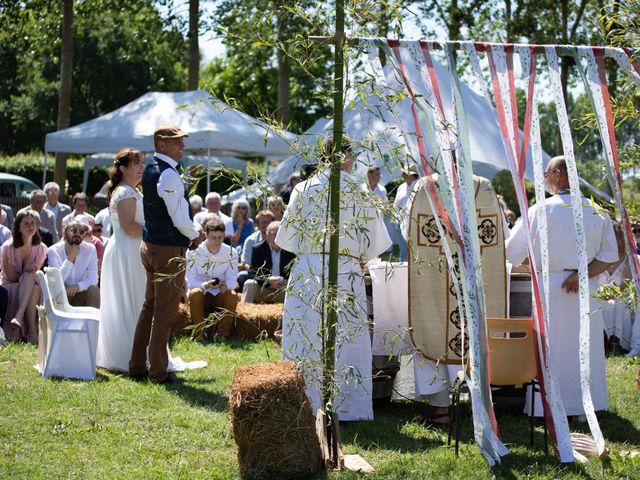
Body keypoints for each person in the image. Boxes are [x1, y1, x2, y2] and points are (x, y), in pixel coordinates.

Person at [277, 138, 392, 421]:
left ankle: (305, 401)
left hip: (309, 268)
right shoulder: (358, 189)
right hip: (344, 269)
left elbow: (287, 238)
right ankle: (348, 406)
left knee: (306, 337)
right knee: (346, 338)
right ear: (346, 158)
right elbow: (374, 240)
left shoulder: (303, 189)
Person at [506, 156, 618, 417]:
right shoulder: (596, 210)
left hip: (549, 288)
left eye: (546, 175)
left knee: (551, 347)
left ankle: (545, 406)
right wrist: (581, 275)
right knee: (583, 347)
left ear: (558, 174)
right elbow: (609, 255)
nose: (544, 181)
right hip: (585, 288)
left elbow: (511, 252)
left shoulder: (539, 210)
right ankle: (584, 408)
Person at [129, 126, 204, 384]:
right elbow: (179, 217)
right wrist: (195, 235)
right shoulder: (168, 174)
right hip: (167, 250)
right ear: (161, 144)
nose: (181, 145)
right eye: (176, 142)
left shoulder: (150, 169)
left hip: (151, 246)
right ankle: (157, 372)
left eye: (182, 141)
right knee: (164, 311)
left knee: (149, 307)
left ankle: (137, 365)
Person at [0, 210, 48, 343]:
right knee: (30, 278)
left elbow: (33, 274)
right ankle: (31, 331)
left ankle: (21, 319)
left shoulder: (40, 247)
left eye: (33, 223)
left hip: (28, 286)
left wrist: (28, 273)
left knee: (33, 284)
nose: (31, 226)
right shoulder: (8, 247)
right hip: (10, 285)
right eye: (26, 224)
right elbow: (9, 277)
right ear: (18, 227)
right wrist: (26, 272)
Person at [186, 219, 238, 339]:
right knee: (194, 293)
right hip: (201, 293)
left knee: (233, 295)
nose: (217, 241)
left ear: (224, 235)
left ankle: (221, 335)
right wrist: (205, 285)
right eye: (213, 237)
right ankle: (199, 334)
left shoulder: (232, 252)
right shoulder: (193, 252)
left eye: (220, 237)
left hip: (220, 293)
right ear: (205, 235)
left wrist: (226, 286)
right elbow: (189, 279)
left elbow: (232, 279)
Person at [47, 220, 100, 308]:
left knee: (94, 290)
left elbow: (94, 279)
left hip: (80, 294)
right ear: (65, 232)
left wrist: (78, 286)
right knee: (59, 292)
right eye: (73, 230)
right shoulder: (53, 250)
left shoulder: (90, 249)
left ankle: (92, 321)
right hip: (60, 297)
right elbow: (56, 281)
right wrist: (70, 259)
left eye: (81, 232)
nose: (78, 234)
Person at [242, 221, 295, 304]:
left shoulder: (291, 251)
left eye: (280, 234)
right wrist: (268, 280)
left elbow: (296, 274)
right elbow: (252, 275)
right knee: (249, 283)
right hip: (264, 289)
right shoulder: (258, 249)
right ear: (267, 236)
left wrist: (287, 281)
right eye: (275, 234)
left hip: (284, 292)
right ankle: (243, 315)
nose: (278, 238)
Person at [237, 210, 275, 290]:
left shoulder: (281, 240)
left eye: (267, 222)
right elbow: (245, 263)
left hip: (277, 273)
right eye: (262, 222)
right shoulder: (250, 240)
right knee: (241, 276)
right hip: (257, 273)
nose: (265, 225)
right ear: (257, 225)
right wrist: (259, 276)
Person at [393, 163, 419, 261]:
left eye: (406, 174)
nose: (403, 175)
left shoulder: (419, 186)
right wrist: (395, 218)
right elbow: (396, 205)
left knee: (415, 251)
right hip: (400, 221)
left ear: (413, 175)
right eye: (404, 173)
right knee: (403, 252)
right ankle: (403, 273)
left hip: (414, 222)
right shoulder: (401, 187)